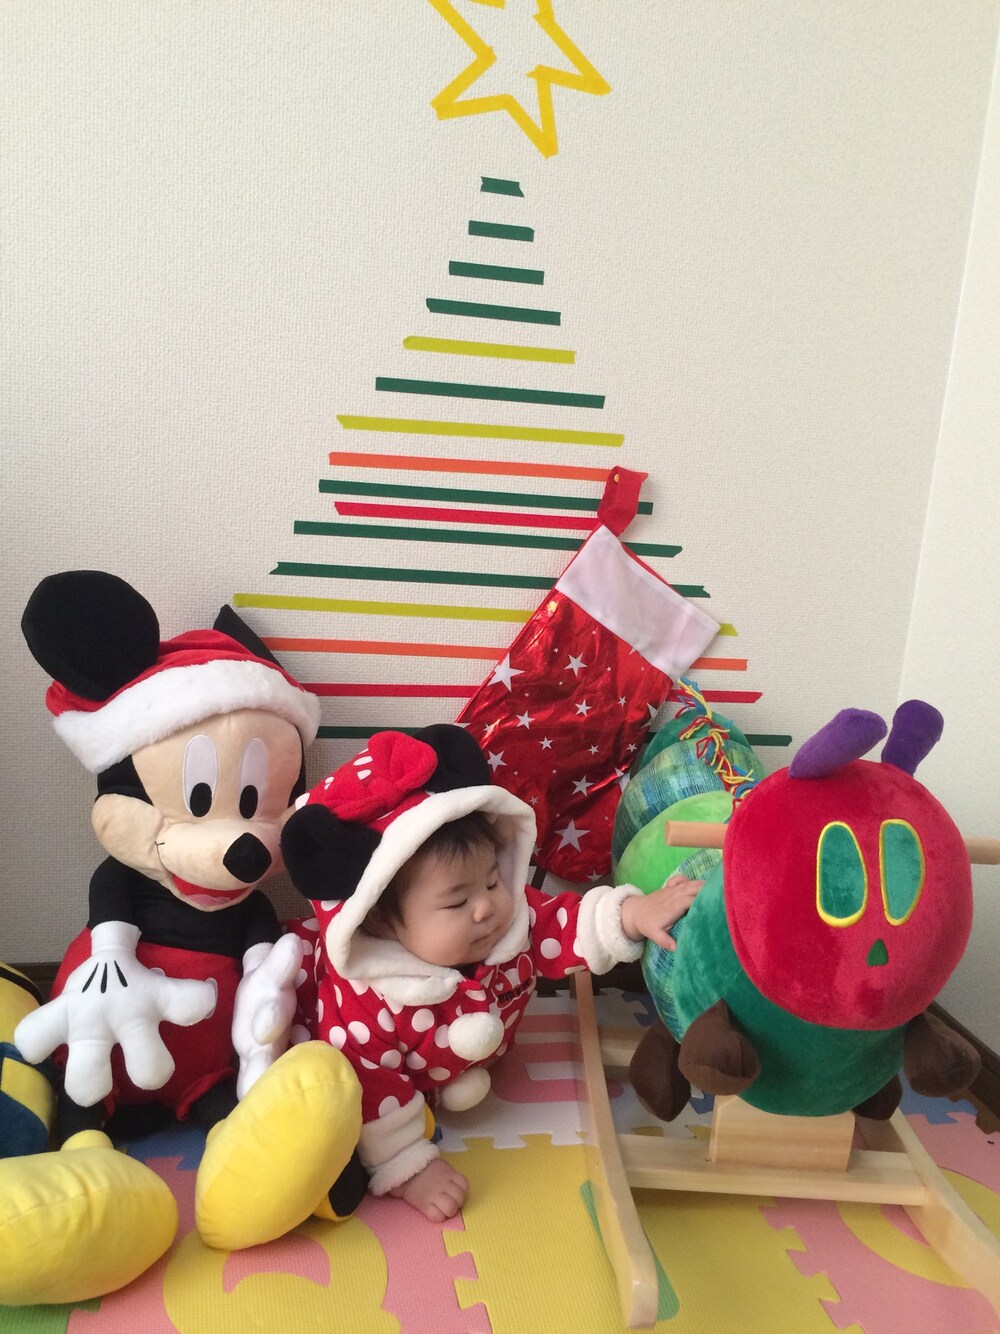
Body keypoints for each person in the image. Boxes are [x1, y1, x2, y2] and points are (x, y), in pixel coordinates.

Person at [281, 726, 703, 1223]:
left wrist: (633, 914)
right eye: (456, 902)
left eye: (491, 881)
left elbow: (566, 924)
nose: (486, 908)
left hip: (465, 1068)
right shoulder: (364, 1003)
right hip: (381, 1074)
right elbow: (372, 1084)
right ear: (378, 920)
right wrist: (407, 1165)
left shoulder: (511, 922)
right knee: (327, 1088)